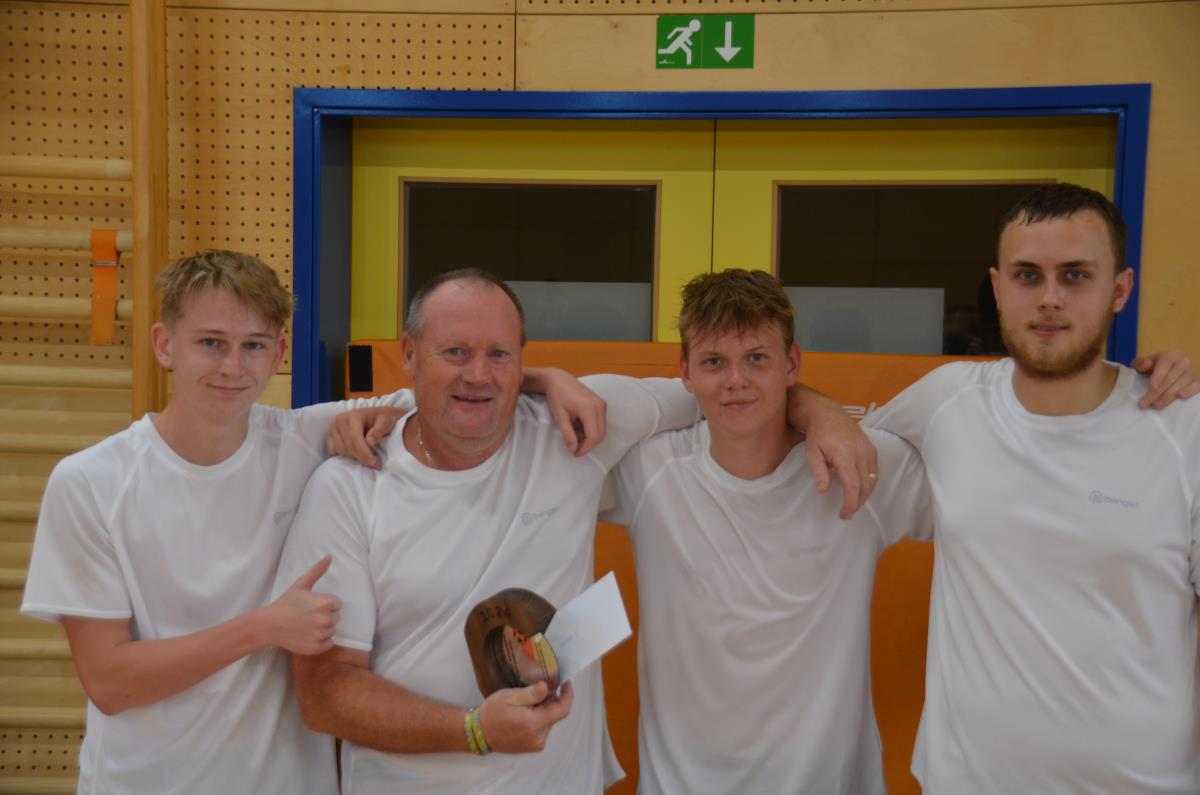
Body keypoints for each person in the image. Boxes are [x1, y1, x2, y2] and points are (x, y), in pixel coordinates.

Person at [18, 251, 600, 795]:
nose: (232, 366)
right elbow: (110, 682)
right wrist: (262, 627)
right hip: (146, 781)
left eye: (253, 345)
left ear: (279, 353)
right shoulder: (91, 482)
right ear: (164, 345)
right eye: (211, 343)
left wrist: (549, 377)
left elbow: (453, 384)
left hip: (289, 783)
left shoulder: (303, 437)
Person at [278, 268, 876, 794]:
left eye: (500, 354)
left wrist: (823, 415)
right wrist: (473, 731)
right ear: (409, 354)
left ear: (522, 358)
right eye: (455, 352)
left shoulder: (575, 429)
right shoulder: (347, 488)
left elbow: (729, 391)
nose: (478, 374)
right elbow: (325, 691)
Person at [860, 183, 1200, 793]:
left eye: (1075, 275)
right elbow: (827, 440)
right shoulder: (947, 403)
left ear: (1120, 289)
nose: (1049, 299)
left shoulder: (1183, 428)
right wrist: (809, 406)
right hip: (966, 781)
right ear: (997, 288)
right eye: (1027, 275)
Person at [600, 269, 933, 795]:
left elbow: (988, 517)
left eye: (757, 358)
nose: (737, 380)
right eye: (714, 362)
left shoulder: (858, 463)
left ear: (792, 363)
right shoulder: (649, 470)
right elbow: (533, 458)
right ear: (685, 372)